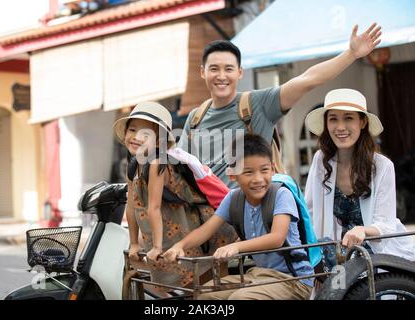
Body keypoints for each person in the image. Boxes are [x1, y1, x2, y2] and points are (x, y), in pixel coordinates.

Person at [178, 23, 382, 188]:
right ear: (203, 72)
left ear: (240, 72)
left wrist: (350, 54)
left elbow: (307, 79)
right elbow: (181, 171)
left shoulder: (258, 104)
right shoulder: (196, 118)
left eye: (228, 69)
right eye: (214, 69)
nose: (221, 76)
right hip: (208, 224)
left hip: (250, 218)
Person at [164, 134, 314, 300]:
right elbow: (205, 231)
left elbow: (277, 238)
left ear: (272, 169)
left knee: (240, 298)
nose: (258, 179)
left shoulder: (281, 194)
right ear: (232, 174)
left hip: (293, 280)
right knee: (204, 294)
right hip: (259, 275)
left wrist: (237, 247)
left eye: (264, 170)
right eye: (248, 172)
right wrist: (180, 245)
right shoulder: (233, 198)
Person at [112, 101, 237, 289]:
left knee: (208, 281)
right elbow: (131, 207)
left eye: (145, 134)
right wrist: (133, 243)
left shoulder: (156, 163)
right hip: (174, 229)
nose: (136, 137)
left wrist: (156, 247)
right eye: (132, 130)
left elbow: (153, 207)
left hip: (196, 225)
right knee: (186, 284)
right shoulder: (134, 164)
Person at [304, 88, 415, 266]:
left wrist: (363, 230)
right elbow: (309, 211)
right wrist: (315, 258)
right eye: (333, 119)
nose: (340, 127)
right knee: (334, 291)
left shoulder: (382, 166)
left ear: (362, 122)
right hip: (335, 256)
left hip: (379, 253)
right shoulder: (320, 160)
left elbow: (386, 224)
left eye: (348, 118)